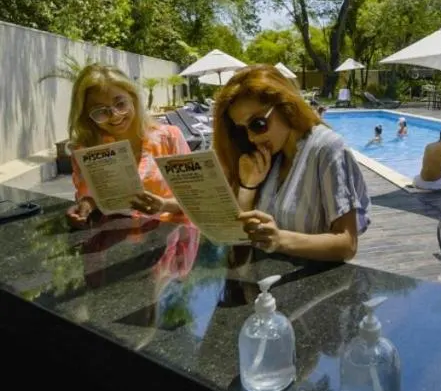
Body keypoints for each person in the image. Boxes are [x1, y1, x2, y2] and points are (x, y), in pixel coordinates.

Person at [213, 64, 370, 262]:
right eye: (241, 130)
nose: (251, 137)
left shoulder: (325, 148)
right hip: (269, 283)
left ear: (285, 106)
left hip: (319, 285)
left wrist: (280, 240)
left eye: (257, 124)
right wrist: (248, 186)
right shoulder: (269, 156)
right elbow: (242, 236)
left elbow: (347, 244)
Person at [66, 63, 189, 225]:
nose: (114, 116)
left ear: (133, 98)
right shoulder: (85, 150)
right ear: (86, 115)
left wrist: (165, 205)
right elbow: (91, 198)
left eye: (120, 104)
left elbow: (198, 198)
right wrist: (84, 207)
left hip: (168, 240)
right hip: (112, 240)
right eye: (100, 111)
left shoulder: (169, 138)